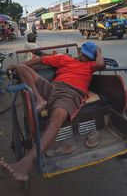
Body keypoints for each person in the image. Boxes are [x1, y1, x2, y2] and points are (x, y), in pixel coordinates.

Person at [0, 41, 105, 181]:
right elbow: (41, 59)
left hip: (71, 93)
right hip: (52, 87)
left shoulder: (91, 65)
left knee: (55, 120)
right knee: (21, 68)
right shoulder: (65, 58)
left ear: (91, 57)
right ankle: (40, 99)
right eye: (83, 54)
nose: (84, 57)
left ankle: (26, 163)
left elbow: (100, 64)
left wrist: (98, 50)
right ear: (79, 51)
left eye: (88, 56)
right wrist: (21, 65)